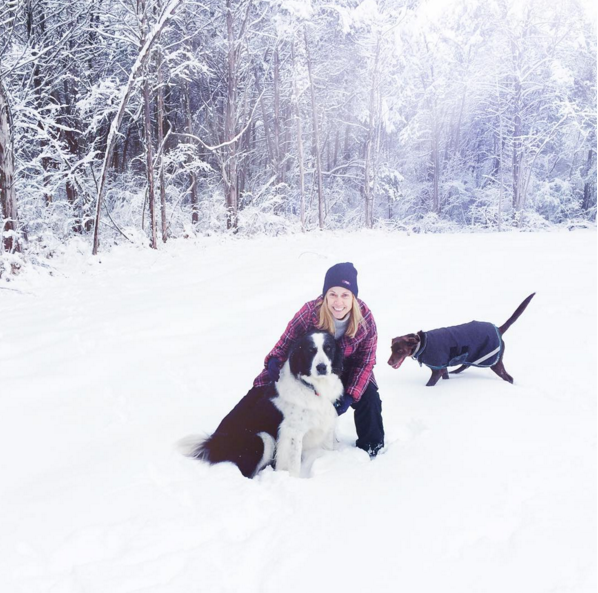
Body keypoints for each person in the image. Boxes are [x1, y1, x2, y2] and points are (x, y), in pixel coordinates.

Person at [253, 262, 384, 458]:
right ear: (325, 295)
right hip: (312, 368)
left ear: (353, 297)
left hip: (346, 369)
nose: (338, 302)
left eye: (345, 295)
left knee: (369, 398)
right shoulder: (309, 312)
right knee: (261, 392)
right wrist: (273, 362)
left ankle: (372, 448)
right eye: (332, 294)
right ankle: (254, 434)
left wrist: (349, 395)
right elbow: (285, 343)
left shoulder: (365, 319)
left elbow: (366, 362)